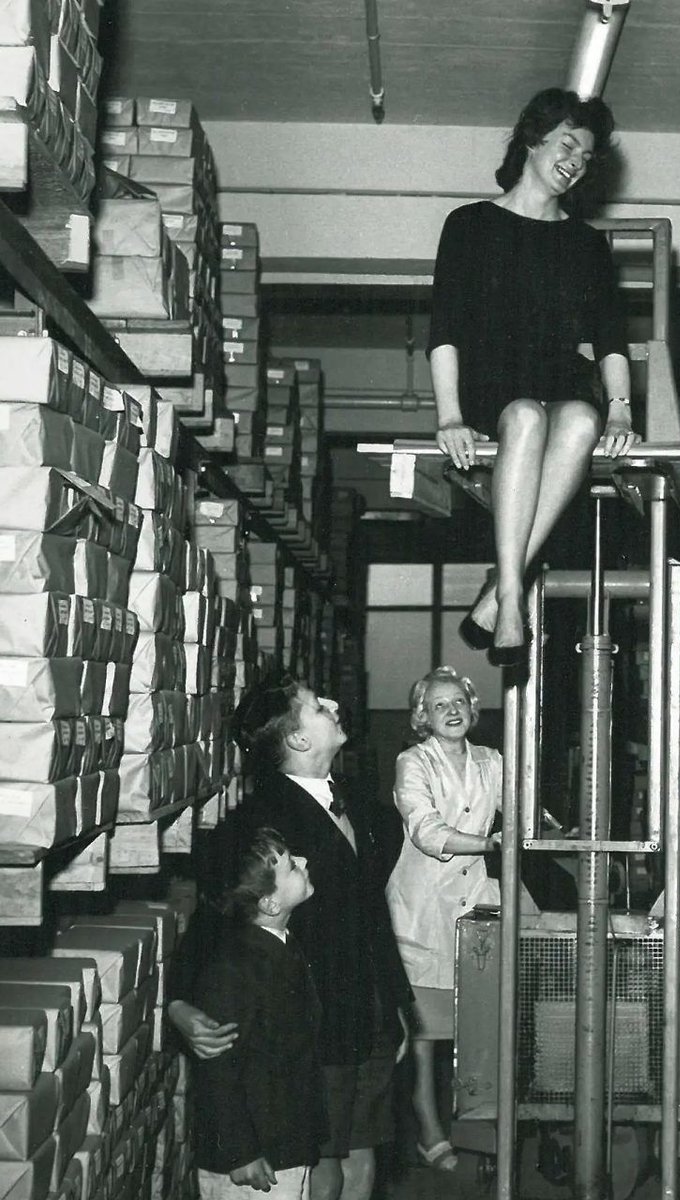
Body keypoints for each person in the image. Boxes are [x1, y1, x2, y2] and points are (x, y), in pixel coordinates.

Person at [168, 677, 410, 1200]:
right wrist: (179, 1002)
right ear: (298, 740)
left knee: (363, 1151)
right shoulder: (258, 822)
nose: (335, 705)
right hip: (311, 1021)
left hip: (368, 1013)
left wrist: (394, 1007)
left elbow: (372, 913)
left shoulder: (359, 802)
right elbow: (215, 917)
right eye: (319, 706)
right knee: (321, 1165)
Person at [428, 87, 641, 662]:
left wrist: (620, 409)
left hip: (559, 380)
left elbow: (610, 338)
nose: (576, 162)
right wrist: (448, 416)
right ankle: (510, 596)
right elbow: (445, 329)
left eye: (586, 156)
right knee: (524, 416)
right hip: (491, 385)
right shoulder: (469, 224)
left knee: (582, 421)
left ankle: (503, 587)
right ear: (532, 139)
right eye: (567, 145)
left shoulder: (586, 243)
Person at [385, 667, 502, 1172]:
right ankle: (427, 1119)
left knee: (479, 1018)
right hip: (423, 906)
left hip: (477, 899)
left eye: (459, 702)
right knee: (424, 1032)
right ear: (422, 717)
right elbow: (426, 831)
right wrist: (491, 843)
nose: (451, 711)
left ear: (472, 708)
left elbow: (525, 810)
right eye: (439, 705)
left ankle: (477, 1120)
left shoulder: (492, 760)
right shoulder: (412, 761)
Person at [192, 827, 325, 1200]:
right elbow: (218, 1065)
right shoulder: (234, 969)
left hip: (284, 1144)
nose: (304, 862)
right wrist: (240, 1151)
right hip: (254, 1160)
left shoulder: (282, 946)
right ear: (269, 904)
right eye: (292, 867)